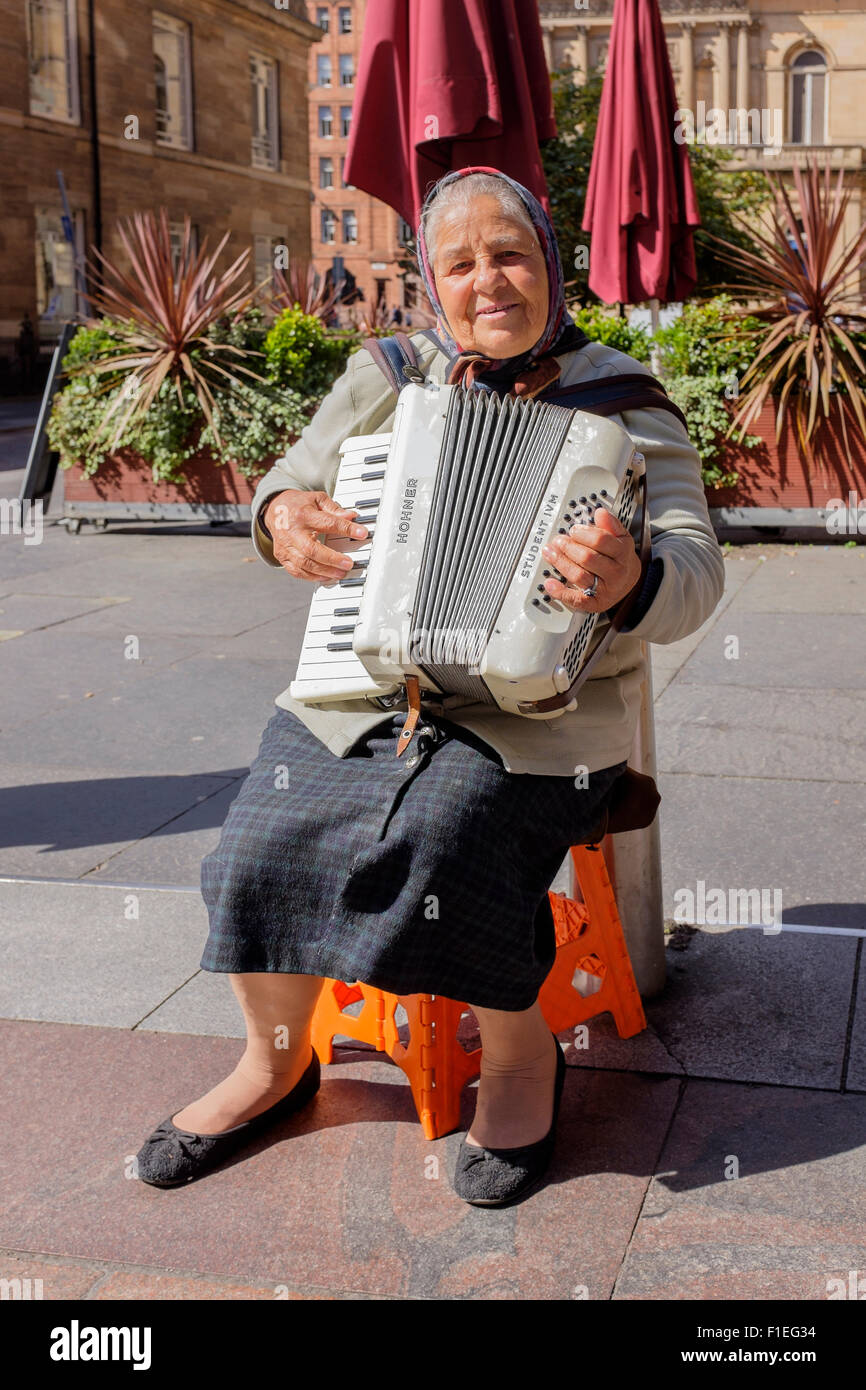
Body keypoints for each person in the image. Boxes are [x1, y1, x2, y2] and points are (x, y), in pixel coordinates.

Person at [135, 167, 725, 1206]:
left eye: (508, 254)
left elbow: (695, 569)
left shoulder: (623, 399)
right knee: (249, 851)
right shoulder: (387, 373)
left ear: (548, 263)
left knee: (447, 842)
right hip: (362, 687)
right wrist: (282, 522)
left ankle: (519, 1055)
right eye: (459, 264)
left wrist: (633, 583)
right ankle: (274, 1064)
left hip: (543, 720)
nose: (486, 281)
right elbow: (288, 483)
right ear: (430, 282)